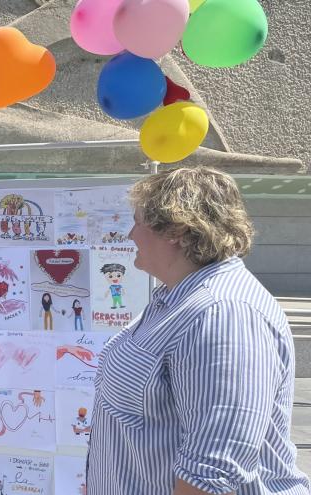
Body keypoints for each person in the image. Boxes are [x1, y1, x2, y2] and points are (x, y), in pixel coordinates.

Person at [87, 167, 310, 494]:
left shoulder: (224, 313)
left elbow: (211, 473)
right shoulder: (177, 298)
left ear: (176, 229)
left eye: (138, 221)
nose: (130, 234)